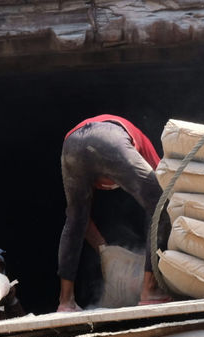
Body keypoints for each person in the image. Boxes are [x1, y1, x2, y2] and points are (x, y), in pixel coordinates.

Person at [57, 114, 171, 312]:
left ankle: (65, 302)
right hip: (110, 137)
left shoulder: (88, 160)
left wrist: (103, 248)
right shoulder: (142, 144)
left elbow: (82, 222)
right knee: (161, 204)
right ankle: (149, 290)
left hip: (72, 143)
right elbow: (163, 193)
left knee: (75, 219)